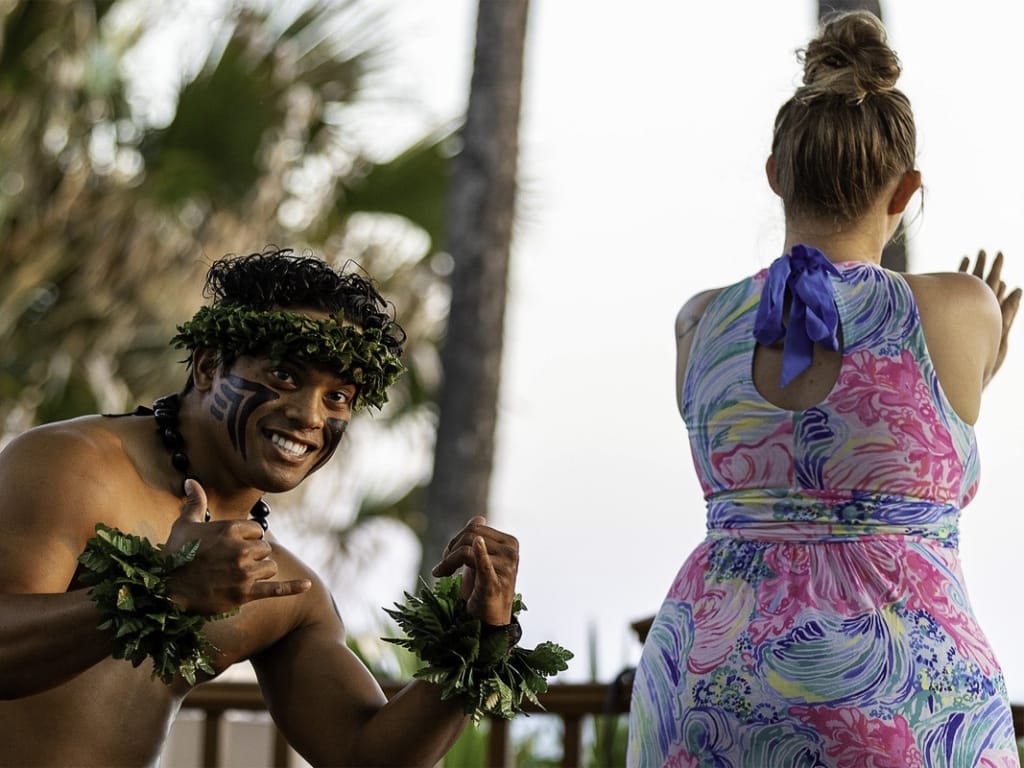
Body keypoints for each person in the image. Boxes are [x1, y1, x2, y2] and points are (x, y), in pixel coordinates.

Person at [627, 11, 1022, 768]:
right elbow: (897, 441)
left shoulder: (700, 321)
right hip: (900, 695)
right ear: (905, 190)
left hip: (710, 687)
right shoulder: (959, 310)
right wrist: (979, 367)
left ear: (775, 176)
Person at [0, 248, 527, 767]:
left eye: (337, 397)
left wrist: (477, 636)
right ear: (208, 366)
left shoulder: (285, 592)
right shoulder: (73, 466)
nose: (308, 416)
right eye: (285, 376)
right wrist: (161, 591)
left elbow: (364, 754)